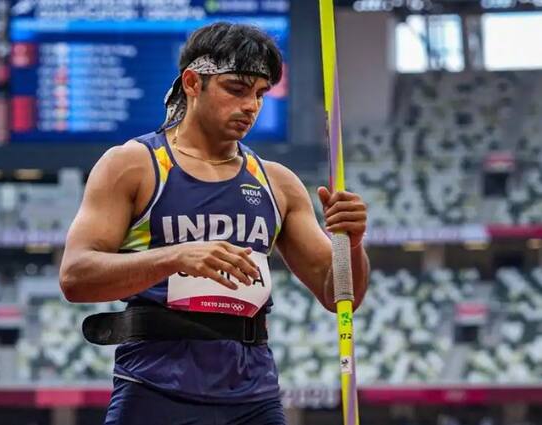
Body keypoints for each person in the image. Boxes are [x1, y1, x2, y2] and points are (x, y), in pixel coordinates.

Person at [60, 22, 370, 424]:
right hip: (156, 388)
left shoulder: (277, 182)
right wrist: (176, 257)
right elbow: (76, 275)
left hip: (252, 395)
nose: (251, 106)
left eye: (260, 94)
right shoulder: (133, 165)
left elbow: (339, 294)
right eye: (236, 89)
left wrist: (354, 244)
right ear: (192, 83)